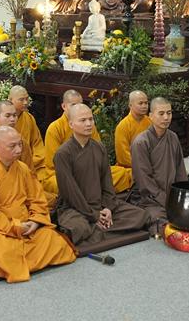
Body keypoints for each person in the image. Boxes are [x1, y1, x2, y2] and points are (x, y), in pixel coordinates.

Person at [0, 126, 75, 283]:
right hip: (0, 231)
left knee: (54, 240)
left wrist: (36, 221)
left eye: (20, 144)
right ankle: (23, 262)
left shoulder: (23, 168)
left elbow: (36, 199)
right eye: (12, 146)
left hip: (28, 226)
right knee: (2, 252)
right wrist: (15, 226)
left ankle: (23, 262)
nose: (19, 150)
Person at [53, 104, 150, 250]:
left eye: (91, 119)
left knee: (140, 215)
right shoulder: (63, 154)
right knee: (78, 228)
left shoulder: (99, 147)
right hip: (75, 209)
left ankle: (97, 230)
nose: (88, 124)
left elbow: (107, 183)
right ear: (71, 124)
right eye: (83, 120)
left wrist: (108, 208)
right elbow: (71, 193)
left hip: (100, 204)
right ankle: (100, 227)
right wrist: (94, 215)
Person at [129, 97, 186, 233]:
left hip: (172, 195)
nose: (166, 117)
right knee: (159, 219)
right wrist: (165, 199)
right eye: (161, 113)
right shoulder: (141, 142)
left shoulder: (173, 137)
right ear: (151, 116)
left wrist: (183, 194)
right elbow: (144, 180)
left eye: (169, 113)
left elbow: (180, 170)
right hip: (149, 199)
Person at [114, 90, 150, 192]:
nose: (144, 106)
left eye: (146, 103)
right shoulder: (123, 126)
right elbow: (123, 157)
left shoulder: (150, 122)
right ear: (130, 105)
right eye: (140, 103)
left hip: (150, 164)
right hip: (130, 167)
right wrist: (142, 166)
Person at [9, 85, 45, 176]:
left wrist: (34, 159)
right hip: (11, 162)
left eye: (27, 99)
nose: (25, 102)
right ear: (10, 100)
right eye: (21, 100)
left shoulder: (29, 118)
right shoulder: (4, 120)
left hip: (31, 161)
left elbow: (37, 142)